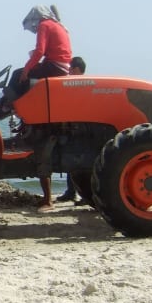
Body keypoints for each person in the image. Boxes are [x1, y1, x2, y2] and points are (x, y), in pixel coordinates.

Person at [0, 5, 73, 119]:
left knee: (18, 74)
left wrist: (26, 70)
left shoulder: (44, 25)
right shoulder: (58, 26)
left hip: (54, 67)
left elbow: (40, 51)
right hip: (63, 66)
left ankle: (4, 107)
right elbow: (57, 50)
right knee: (25, 79)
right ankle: (10, 104)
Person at [56, 56, 87, 203]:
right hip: (74, 128)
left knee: (82, 164)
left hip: (81, 129)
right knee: (72, 162)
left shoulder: (82, 85)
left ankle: (84, 195)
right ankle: (71, 192)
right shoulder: (79, 84)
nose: (68, 72)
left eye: (71, 69)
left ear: (77, 69)